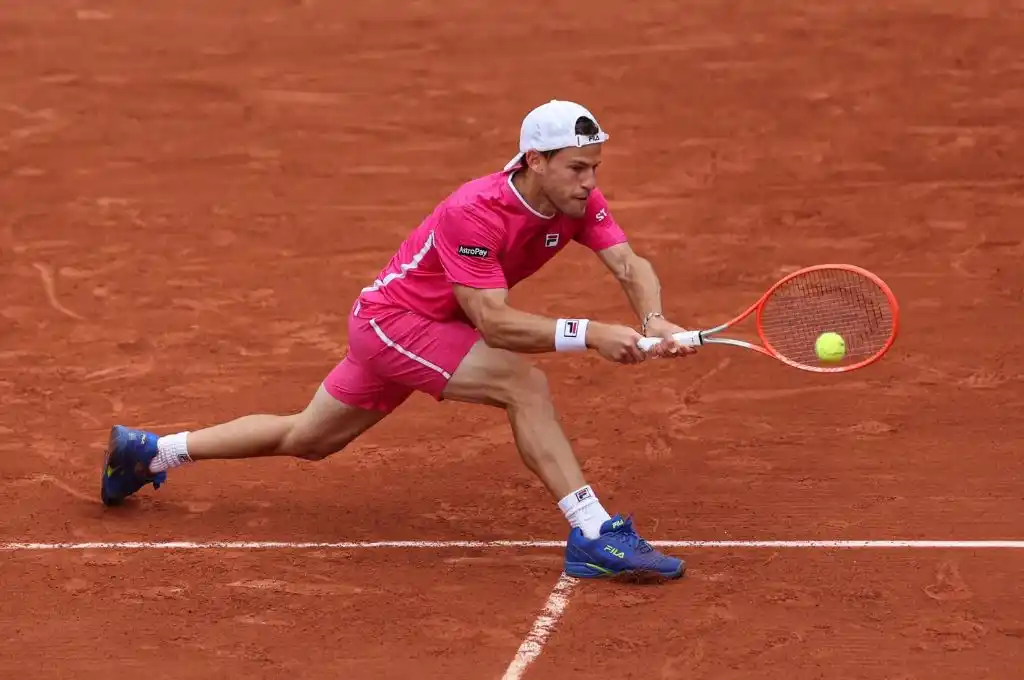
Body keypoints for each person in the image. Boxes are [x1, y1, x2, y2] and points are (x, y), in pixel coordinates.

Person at [101, 99, 696, 581]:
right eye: (577, 168)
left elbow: (629, 263)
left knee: (307, 437)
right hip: (394, 324)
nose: (589, 183)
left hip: (426, 329)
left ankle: (151, 451)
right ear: (535, 161)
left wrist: (653, 320)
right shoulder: (477, 210)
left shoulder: (577, 201)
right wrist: (589, 333)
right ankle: (592, 533)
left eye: (594, 168)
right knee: (523, 384)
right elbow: (493, 322)